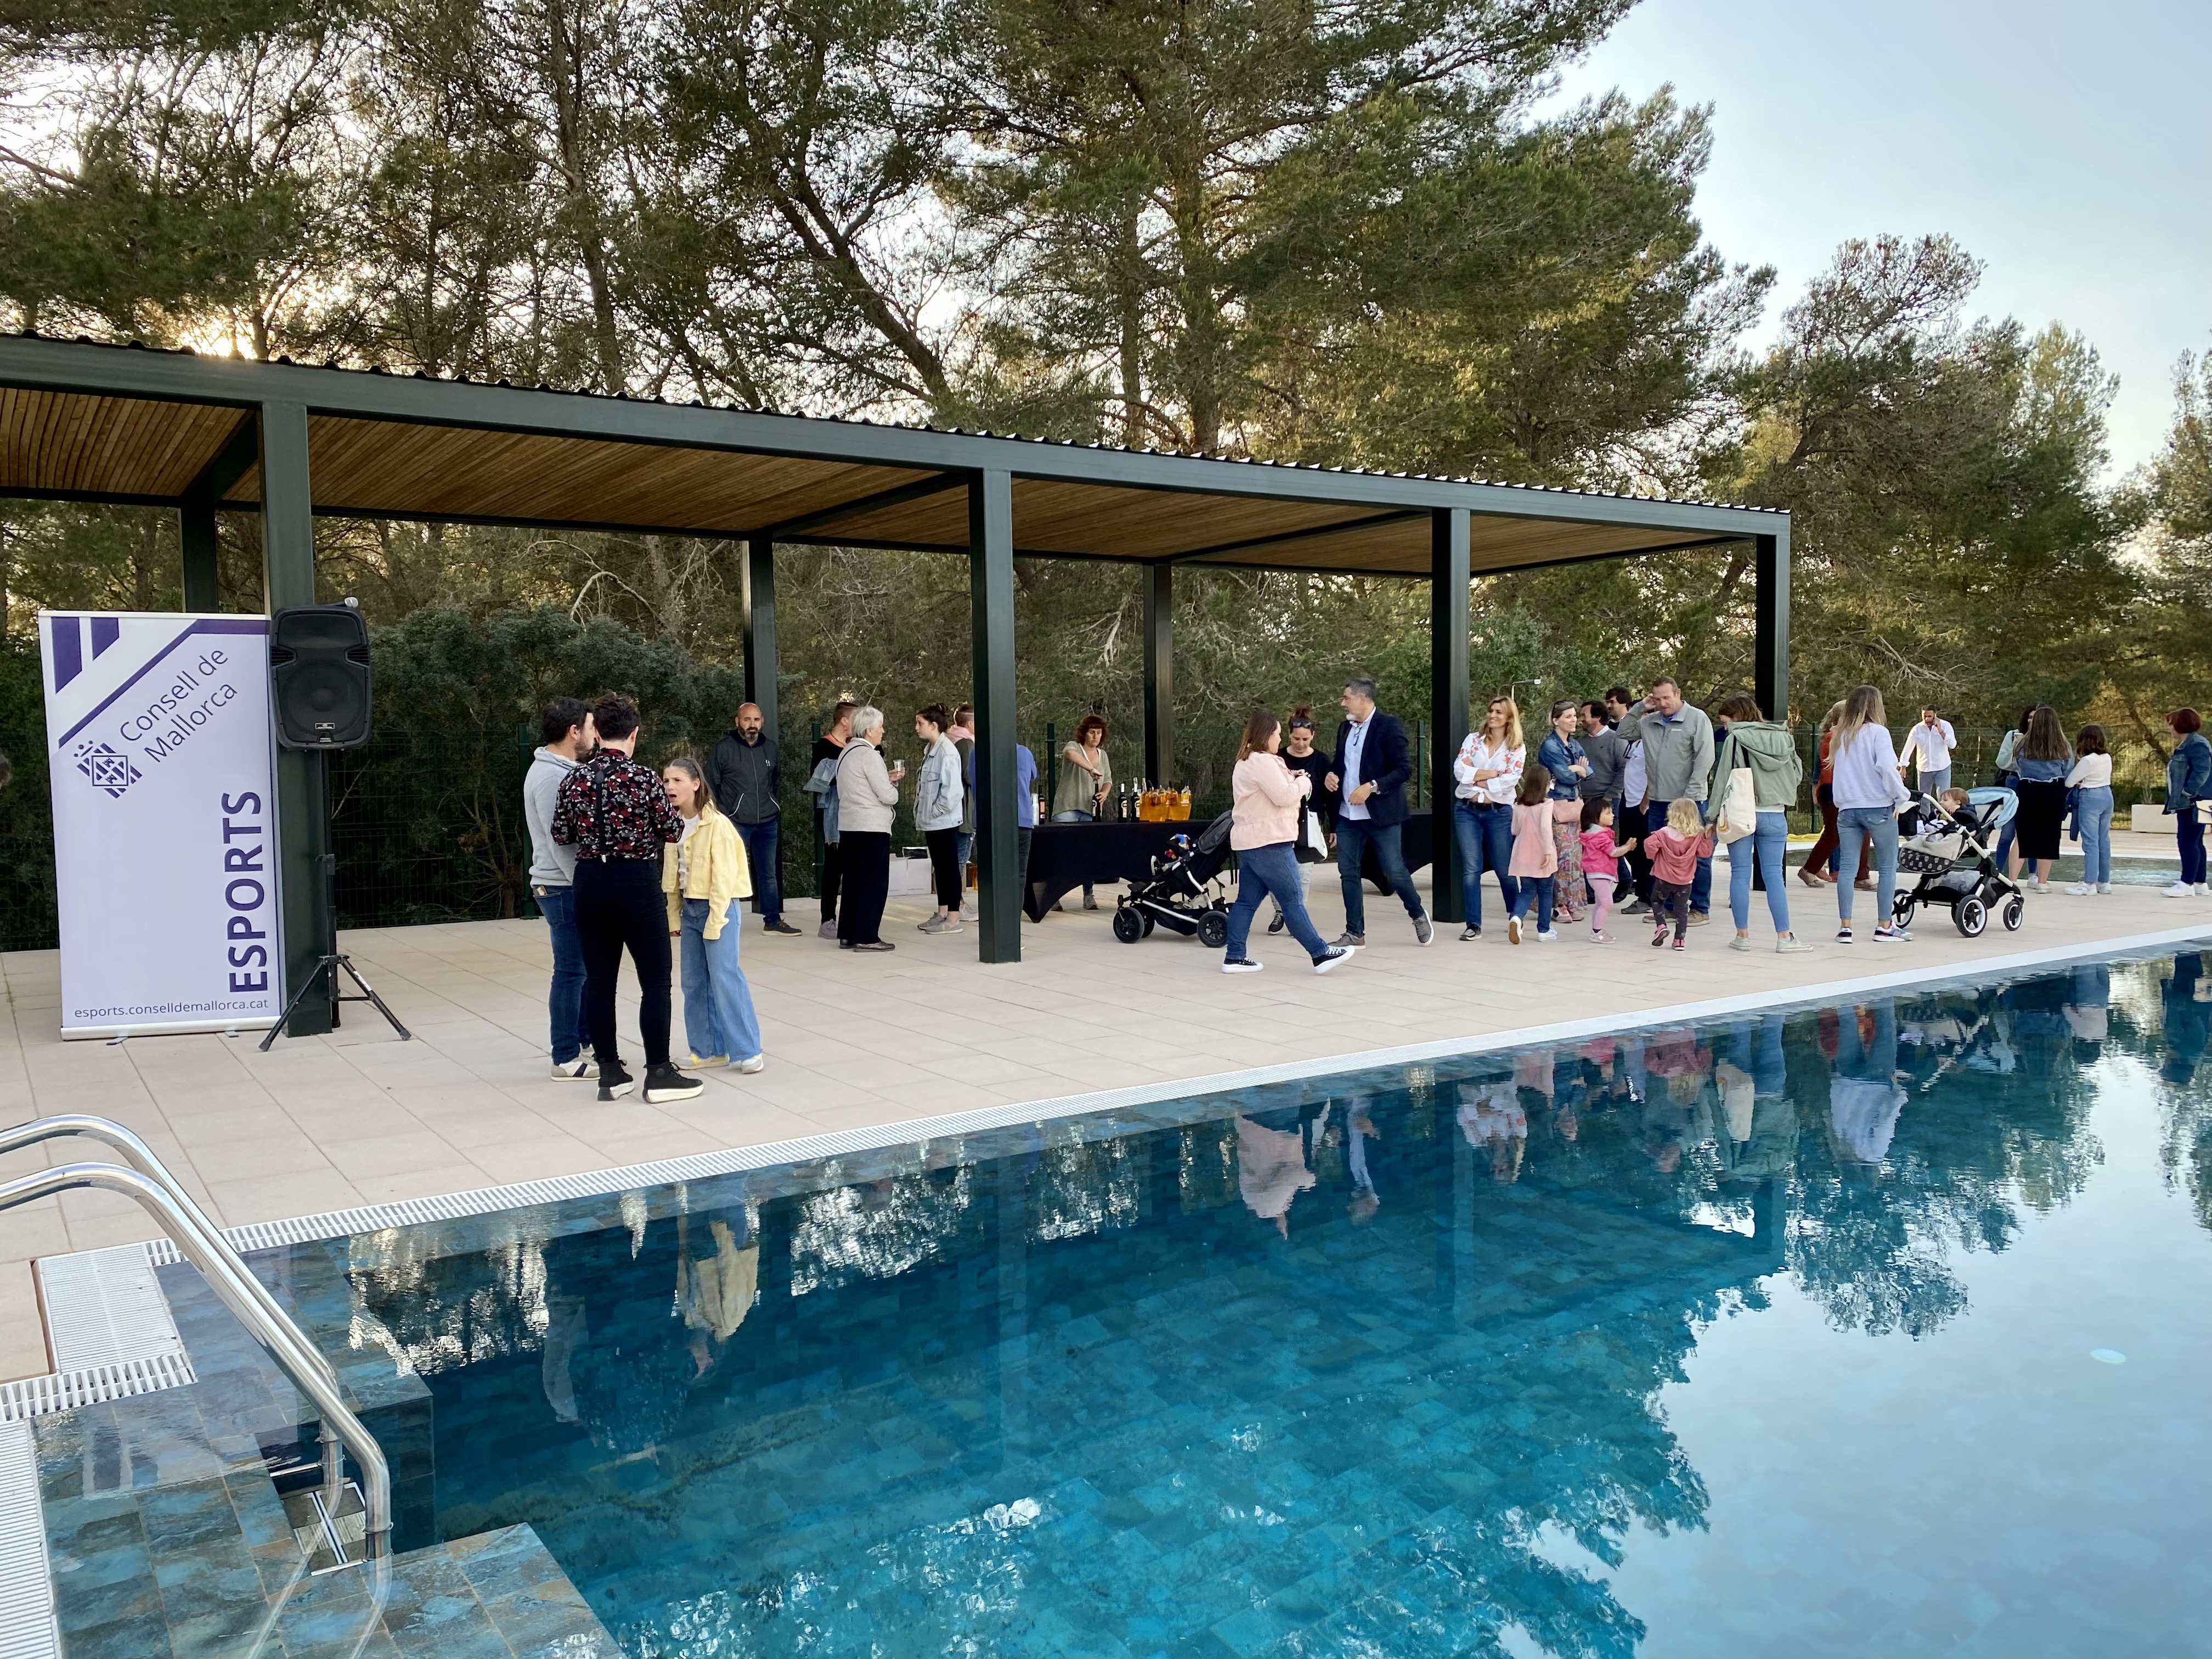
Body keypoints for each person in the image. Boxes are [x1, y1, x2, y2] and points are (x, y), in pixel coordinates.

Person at [550, 692, 703, 1103]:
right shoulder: (644, 778)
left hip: (590, 883)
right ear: (634, 734)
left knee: (599, 983)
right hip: (635, 880)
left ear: (596, 733)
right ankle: (658, 1072)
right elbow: (673, 830)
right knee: (655, 981)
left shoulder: (573, 779)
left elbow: (561, 834)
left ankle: (611, 1073)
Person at [1220, 711, 1356, 975]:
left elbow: (1269, 792)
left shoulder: (1245, 761)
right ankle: (1320, 953)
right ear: (1266, 735)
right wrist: (1304, 782)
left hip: (1249, 844)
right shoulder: (1264, 762)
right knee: (1293, 900)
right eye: (1278, 733)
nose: (1280, 738)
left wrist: (1290, 776)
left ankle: (1235, 956)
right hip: (1271, 843)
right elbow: (1283, 797)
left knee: (1246, 902)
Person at [660, 757, 765, 1074]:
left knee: (725, 978)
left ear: (695, 784)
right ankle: (708, 1050)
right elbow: (672, 875)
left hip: (718, 907)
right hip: (691, 909)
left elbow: (723, 877)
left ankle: (748, 1051)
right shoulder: (673, 824)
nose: (670, 787)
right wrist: (675, 918)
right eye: (666, 781)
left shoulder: (717, 823)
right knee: (692, 983)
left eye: (677, 780)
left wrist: (716, 919)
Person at [1324, 676, 1435, 947]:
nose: (1343, 703)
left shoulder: (1389, 726)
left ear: (1362, 699)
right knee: (1348, 871)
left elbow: (1404, 770)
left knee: (1394, 870)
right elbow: (1341, 764)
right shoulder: (1345, 729)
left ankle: (1418, 914)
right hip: (1348, 816)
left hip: (1381, 814)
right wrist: (1330, 775)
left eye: (1346, 698)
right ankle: (1355, 932)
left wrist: (1372, 787)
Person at [524, 697, 596, 1079]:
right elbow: (562, 842)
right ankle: (565, 1057)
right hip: (562, 886)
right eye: (588, 727)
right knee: (570, 972)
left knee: (580, 969)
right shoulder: (553, 777)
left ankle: (584, 1040)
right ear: (573, 732)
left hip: (560, 884)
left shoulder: (558, 769)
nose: (592, 734)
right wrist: (586, 886)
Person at [1709, 694, 1813, 953]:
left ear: (1737, 717)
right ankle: (1784, 938)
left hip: (1742, 814)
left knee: (1740, 874)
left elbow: (1723, 779)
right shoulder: (1785, 737)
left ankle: (1742, 937)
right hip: (1775, 814)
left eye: (1726, 722)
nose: (1725, 727)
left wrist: (1711, 817)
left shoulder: (1736, 738)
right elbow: (1797, 773)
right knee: (1774, 877)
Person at [706, 702, 803, 938]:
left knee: (768, 873)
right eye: (747, 719)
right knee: (727, 871)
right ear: (737, 721)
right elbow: (710, 784)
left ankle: (773, 921)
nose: (752, 724)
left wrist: (773, 804)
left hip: (768, 821)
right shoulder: (723, 749)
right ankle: (721, 920)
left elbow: (776, 780)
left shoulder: (770, 748)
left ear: (762, 723)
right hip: (735, 822)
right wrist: (724, 813)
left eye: (757, 720)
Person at [1828, 684, 1912, 944]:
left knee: (1848, 868)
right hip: (1877, 807)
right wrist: (1903, 797)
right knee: (1887, 868)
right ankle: (1885, 927)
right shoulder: (1878, 733)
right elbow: (1888, 769)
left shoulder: (1841, 736)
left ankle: (1845, 928)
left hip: (1847, 808)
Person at [1637, 676, 1716, 925]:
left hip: (1690, 804)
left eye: (1666, 698)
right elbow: (1624, 732)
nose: (1662, 703)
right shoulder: (1649, 722)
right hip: (1659, 802)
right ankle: (1669, 907)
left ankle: (1700, 908)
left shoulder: (1697, 718)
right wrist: (1640, 707)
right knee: (1662, 855)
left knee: (1699, 856)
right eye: (1656, 699)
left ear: (1678, 693)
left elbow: (1705, 760)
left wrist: (1690, 799)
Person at [1451, 695, 1523, 940]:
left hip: (1499, 814)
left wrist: (1477, 777)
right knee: (1471, 868)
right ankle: (1473, 924)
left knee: (1504, 869)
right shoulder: (1473, 740)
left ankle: (1515, 917)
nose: (1492, 715)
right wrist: (1492, 773)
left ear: (1509, 718)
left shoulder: (1517, 748)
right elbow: (1460, 771)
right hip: (1466, 811)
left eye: (1499, 712)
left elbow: (1510, 781)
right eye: (1490, 711)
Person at [833, 706, 902, 951]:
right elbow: (887, 795)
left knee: (852, 880)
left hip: (849, 825)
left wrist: (886, 778)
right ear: (870, 730)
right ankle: (867, 936)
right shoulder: (870, 755)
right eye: (881, 727)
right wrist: (893, 788)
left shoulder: (846, 752)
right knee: (873, 883)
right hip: (872, 827)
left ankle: (848, 933)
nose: (883, 731)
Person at [962, 716, 1039, 915]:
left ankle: (992, 918)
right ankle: (1011, 921)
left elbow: (972, 779)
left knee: (992, 875)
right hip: (1020, 819)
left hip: (988, 821)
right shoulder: (1024, 753)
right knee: (1018, 876)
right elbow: (1032, 776)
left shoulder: (976, 754)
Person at [1268, 705, 1333, 935]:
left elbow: (1329, 796)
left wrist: (1333, 826)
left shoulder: (1322, 761)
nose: (1301, 743)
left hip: (1310, 823)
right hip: (1280, 821)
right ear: (1289, 735)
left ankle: (1298, 915)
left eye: (1305, 739)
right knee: (1276, 871)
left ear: (1313, 735)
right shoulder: (1278, 758)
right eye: (1296, 738)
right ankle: (1280, 911)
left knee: (1303, 872)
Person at [1799, 699, 1871, 891]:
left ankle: (1862, 875)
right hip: (1834, 789)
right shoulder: (1836, 736)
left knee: (1863, 829)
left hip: (1844, 789)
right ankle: (1809, 869)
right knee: (1835, 832)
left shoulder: (1841, 735)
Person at [912, 703, 966, 934]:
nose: (917, 728)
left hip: (942, 821)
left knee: (949, 868)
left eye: (920, 724)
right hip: (933, 822)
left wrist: (935, 812)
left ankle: (953, 918)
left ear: (934, 725)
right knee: (941, 868)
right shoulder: (931, 750)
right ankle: (943, 912)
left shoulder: (947, 752)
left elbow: (953, 792)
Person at [2007, 704, 2071, 891]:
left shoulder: (2022, 744)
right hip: (2053, 790)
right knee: (2049, 837)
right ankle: (2042, 882)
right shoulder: (2062, 745)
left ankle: (2012, 880)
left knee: (2022, 837)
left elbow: (2017, 765)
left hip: (2027, 789)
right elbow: (2068, 769)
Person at [806, 699, 856, 939]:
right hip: (830, 813)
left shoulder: (856, 745)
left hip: (853, 811)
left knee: (852, 865)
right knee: (834, 865)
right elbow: (822, 779)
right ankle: (828, 918)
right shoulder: (824, 746)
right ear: (844, 721)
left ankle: (850, 916)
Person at [1535, 699, 1588, 924]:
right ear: (1556, 720)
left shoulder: (1574, 744)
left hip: (1573, 806)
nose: (1574, 720)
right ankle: (1558, 905)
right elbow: (1565, 775)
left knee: (1575, 857)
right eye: (1568, 716)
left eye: (1575, 715)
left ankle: (1571, 902)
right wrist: (1579, 769)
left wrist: (1579, 770)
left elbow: (1591, 770)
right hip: (1556, 806)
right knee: (1562, 857)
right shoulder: (1550, 746)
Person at [1052, 714, 1112, 909]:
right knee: (1061, 853)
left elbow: (1108, 780)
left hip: (1090, 811)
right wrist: (1090, 769)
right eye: (1092, 732)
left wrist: (1104, 793)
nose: (1095, 737)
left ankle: (1088, 895)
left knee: (1089, 854)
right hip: (1067, 808)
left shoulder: (1103, 755)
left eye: (1099, 733)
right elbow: (1071, 756)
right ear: (1084, 733)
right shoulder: (1073, 747)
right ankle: (1054, 895)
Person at [1645, 798, 1713, 951]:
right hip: (1685, 881)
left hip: (1664, 878)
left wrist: (1654, 856)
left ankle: (1661, 926)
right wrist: (1708, 838)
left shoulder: (1664, 833)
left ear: (1672, 814)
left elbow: (1650, 845)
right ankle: (1679, 941)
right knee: (1682, 911)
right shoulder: (1697, 835)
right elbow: (1705, 852)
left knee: (1657, 901)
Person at [1505, 764, 1558, 944]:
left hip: (1522, 853)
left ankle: (1516, 918)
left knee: (1526, 890)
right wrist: (1549, 851)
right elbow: (1545, 828)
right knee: (1545, 892)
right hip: (1542, 853)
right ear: (1544, 784)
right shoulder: (1547, 804)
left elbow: (1515, 829)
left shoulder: (1519, 805)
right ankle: (1544, 930)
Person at [2164, 708, 2212, 898]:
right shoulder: (2191, 743)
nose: (2169, 728)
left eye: (2171, 723)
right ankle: (2199, 883)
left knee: (2187, 840)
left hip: (2195, 801)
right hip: (2198, 800)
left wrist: (2188, 792)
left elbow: (2203, 771)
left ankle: (2187, 883)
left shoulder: (2196, 744)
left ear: (2180, 724)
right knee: (2196, 840)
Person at [2064, 724, 2114, 896]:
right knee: (2103, 841)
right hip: (2107, 795)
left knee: (2090, 842)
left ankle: (2089, 883)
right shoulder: (2106, 757)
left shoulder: (2088, 760)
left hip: (2090, 797)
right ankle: (2104, 882)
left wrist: (2080, 781)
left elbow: (2069, 782)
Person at [1580, 799, 1635, 942]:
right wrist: (1628, 847)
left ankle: (1597, 929)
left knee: (1600, 903)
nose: (1613, 816)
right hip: (1600, 873)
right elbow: (1613, 852)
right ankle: (1597, 932)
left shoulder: (1595, 833)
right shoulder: (1601, 836)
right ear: (1596, 817)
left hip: (1597, 873)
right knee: (1607, 903)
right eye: (1608, 813)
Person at [1991, 704, 2035, 869]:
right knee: (2007, 833)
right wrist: (2017, 751)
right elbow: (2001, 762)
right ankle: (1997, 871)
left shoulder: (2046, 739)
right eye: (2030, 717)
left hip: (2035, 786)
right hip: (2015, 782)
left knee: (2031, 833)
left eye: (2036, 718)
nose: (2032, 721)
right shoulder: (2013, 736)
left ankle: (2034, 873)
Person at [950, 703, 978, 919]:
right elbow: (970, 776)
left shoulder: (949, 741)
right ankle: (956, 903)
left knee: (954, 858)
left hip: (952, 811)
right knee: (960, 858)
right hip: (965, 810)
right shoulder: (967, 743)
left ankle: (951, 903)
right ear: (970, 724)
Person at [1579, 698, 1631, 804]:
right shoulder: (1579, 743)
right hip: (1583, 801)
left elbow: (1624, 770)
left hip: (1608, 801)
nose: (1581, 719)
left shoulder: (1617, 740)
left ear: (1597, 717)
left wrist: (1609, 797)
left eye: (1584, 716)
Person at [1899, 707, 1957, 800]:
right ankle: (1925, 816)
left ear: (1935, 715)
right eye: (1924, 716)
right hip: (1924, 769)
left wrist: (1941, 731)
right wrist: (1903, 766)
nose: (1927, 719)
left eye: (1929, 716)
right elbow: (1908, 747)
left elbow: (1953, 745)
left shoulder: (1946, 726)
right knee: (1924, 799)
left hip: (1942, 767)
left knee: (1943, 798)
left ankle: (1942, 816)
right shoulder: (1917, 729)